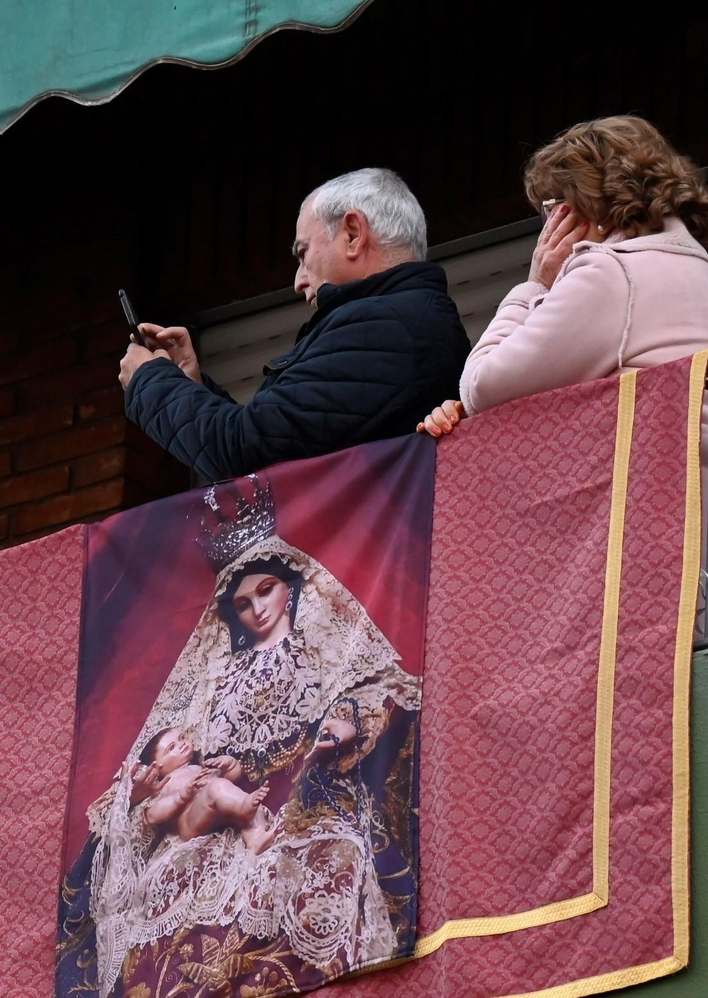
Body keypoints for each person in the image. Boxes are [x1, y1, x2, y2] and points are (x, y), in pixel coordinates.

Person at [56, 477, 421, 998]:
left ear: (290, 588)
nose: (258, 608)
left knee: (332, 861)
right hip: (221, 817)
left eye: (266, 590)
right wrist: (175, 780)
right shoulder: (217, 675)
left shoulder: (323, 648)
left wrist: (345, 721)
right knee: (169, 888)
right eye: (245, 602)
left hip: (307, 797)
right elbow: (174, 746)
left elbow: (381, 690)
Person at [419, 116, 708, 633]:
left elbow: (483, 386)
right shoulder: (696, 270)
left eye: (551, 207)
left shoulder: (613, 273)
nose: (547, 226)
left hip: (676, 575)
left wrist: (534, 284)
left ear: (581, 203)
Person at [118, 168, 470, 482]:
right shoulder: (401, 322)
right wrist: (191, 386)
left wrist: (149, 381)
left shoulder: (384, 327)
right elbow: (274, 440)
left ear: (352, 234)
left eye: (303, 253)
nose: (299, 282)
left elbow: (245, 453)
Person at [136, 726, 276, 853]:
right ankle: (243, 807)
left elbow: (229, 780)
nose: (181, 744)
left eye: (181, 738)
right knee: (218, 788)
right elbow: (152, 816)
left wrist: (230, 765)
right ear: (155, 767)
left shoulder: (200, 767)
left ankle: (256, 838)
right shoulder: (167, 782)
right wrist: (180, 797)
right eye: (171, 748)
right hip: (190, 821)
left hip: (219, 810)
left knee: (253, 804)